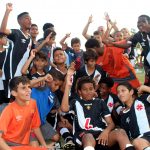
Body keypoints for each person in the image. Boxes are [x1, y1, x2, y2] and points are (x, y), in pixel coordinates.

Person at [61, 69, 135, 150]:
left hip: (101, 134)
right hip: (83, 135)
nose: (88, 92)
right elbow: (64, 109)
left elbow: (111, 123)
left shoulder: (100, 102)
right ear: (80, 91)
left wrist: (105, 132)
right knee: (88, 136)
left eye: (91, 89)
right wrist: (68, 86)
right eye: (85, 89)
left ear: (94, 89)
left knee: (120, 132)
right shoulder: (76, 102)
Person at [0, 76, 54, 150]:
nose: (28, 90)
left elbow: (35, 126)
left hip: (25, 138)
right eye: (23, 88)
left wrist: (44, 145)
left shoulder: (33, 103)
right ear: (14, 93)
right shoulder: (8, 110)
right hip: (9, 142)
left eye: (29, 87)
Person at [31, 67, 65, 144]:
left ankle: (39, 139)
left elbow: (59, 108)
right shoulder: (42, 85)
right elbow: (29, 84)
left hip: (41, 122)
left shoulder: (54, 97)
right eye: (55, 84)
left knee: (56, 137)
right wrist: (43, 78)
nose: (57, 88)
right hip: (29, 119)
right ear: (48, 80)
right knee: (33, 143)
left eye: (59, 86)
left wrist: (62, 117)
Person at [117, 82, 150, 150]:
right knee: (137, 142)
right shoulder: (123, 115)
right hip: (140, 141)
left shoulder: (142, 99)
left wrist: (145, 88)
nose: (120, 94)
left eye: (123, 90)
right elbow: (127, 136)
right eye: (118, 92)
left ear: (131, 92)